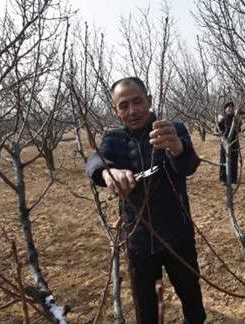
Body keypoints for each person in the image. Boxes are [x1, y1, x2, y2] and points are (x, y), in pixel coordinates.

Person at [85, 77, 206, 324]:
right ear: (116, 111)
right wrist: (108, 172)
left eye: (138, 101)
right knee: (146, 315)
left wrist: (177, 148)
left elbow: (189, 165)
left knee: (194, 307)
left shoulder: (171, 130)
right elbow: (94, 162)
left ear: (149, 101)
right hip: (138, 242)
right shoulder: (113, 140)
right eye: (124, 105)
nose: (132, 111)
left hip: (178, 239)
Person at [217, 101, 240, 185]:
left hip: (234, 142)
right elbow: (218, 131)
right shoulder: (223, 119)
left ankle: (233, 180)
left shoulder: (235, 119)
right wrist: (219, 122)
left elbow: (238, 130)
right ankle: (223, 179)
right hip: (224, 143)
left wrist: (237, 122)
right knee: (223, 160)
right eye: (228, 107)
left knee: (234, 161)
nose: (230, 109)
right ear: (225, 109)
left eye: (231, 107)